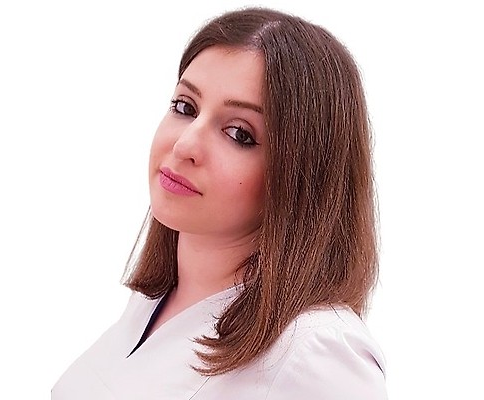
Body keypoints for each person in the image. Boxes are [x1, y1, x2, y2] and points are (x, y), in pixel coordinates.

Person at [52, 7, 387, 399]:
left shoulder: (315, 352)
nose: (185, 145)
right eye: (185, 107)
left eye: (239, 133)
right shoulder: (152, 302)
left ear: (301, 177)